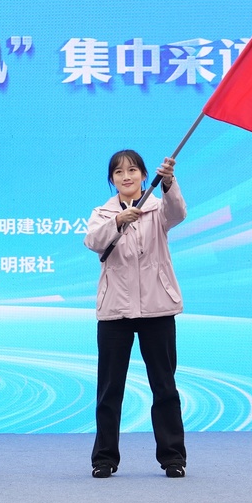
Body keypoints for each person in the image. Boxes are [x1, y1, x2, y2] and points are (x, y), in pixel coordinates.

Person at [84, 150, 188, 478]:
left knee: (164, 386)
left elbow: (178, 213)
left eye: (132, 170)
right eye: (118, 172)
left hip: (158, 307)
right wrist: (118, 221)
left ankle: (173, 458)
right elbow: (92, 241)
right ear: (112, 180)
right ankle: (104, 459)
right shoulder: (102, 213)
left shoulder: (157, 208)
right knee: (109, 389)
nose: (126, 176)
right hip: (115, 311)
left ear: (144, 175)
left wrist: (168, 183)